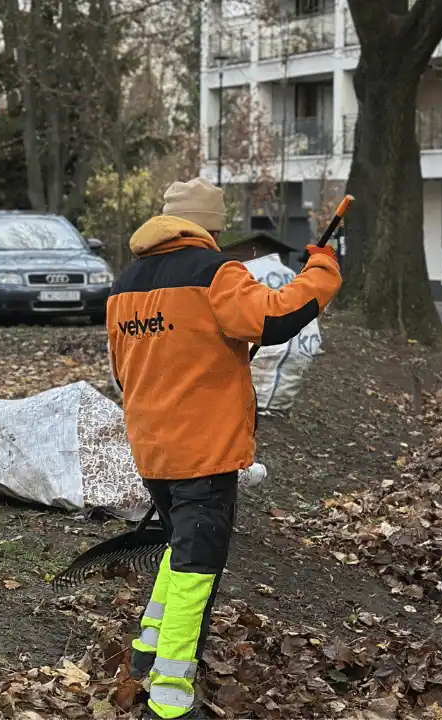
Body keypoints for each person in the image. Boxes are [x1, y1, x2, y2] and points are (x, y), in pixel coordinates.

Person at [107, 178, 342, 720]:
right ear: (211, 227)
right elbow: (276, 317)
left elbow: (124, 370)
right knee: (197, 567)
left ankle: (147, 652)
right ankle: (169, 698)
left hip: (152, 446)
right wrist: (322, 269)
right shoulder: (215, 272)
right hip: (204, 448)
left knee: (180, 547)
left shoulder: (125, 284)